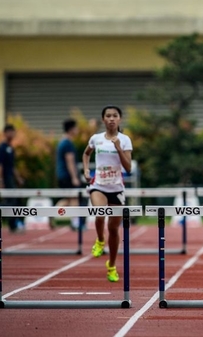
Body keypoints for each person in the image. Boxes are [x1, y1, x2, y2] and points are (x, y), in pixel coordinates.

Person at [82, 106, 133, 282]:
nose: (111, 119)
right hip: (99, 185)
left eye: (115, 116)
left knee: (114, 228)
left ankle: (111, 265)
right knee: (99, 212)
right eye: (108, 116)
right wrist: (87, 169)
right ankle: (100, 239)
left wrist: (118, 148)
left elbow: (128, 168)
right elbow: (86, 153)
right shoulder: (96, 139)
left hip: (117, 188)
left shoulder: (125, 140)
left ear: (120, 119)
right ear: (103, 119)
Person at [52, 119, 82, 230]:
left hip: (62, 174)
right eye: (76, 128)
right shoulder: (67, 143)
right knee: (74, 197)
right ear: (71, 129)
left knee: (69, 198)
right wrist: (74, 177)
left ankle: (52, 212)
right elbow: (70, 161)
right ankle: (75, 223)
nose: (77, 130)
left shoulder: (62, 142)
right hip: (67, 175)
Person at [0, 124, 25, 233]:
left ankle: (14, 224)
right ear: (5, 133)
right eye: (10, 132)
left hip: (11, 178)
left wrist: (18, 178)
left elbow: (12, 166)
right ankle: (12, 225)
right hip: (5, 178)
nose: (12, 134)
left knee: (15, 200)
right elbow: (0, 165)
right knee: (10, 201)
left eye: (13, 132)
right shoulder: (2, 147)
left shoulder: (11, 148)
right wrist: (1, 180)